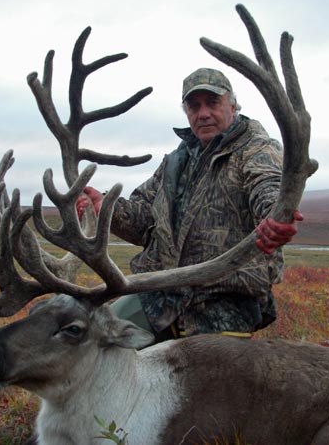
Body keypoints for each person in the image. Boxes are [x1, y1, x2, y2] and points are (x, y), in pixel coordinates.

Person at [77, 68, 301, 342]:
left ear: (232, 105)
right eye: (194, 106)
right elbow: (144, 219)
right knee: (97, 340)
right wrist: (105, 208)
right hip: (161, 293)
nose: (203, 113)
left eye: (212, 103)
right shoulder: (176, 162)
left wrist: (274, 216)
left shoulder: (257, 149)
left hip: (223, 300)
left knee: (198, 379)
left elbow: (268, 187)